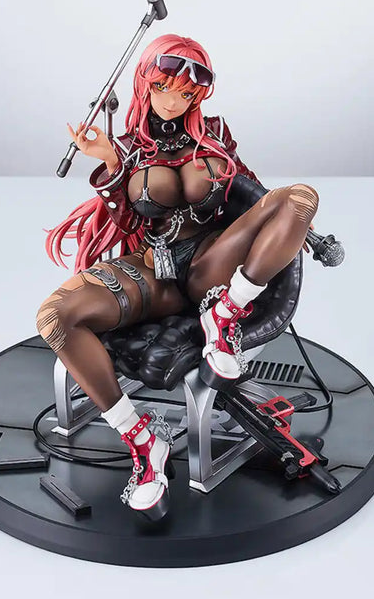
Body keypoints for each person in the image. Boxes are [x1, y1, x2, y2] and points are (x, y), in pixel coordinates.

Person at [36, 34, 319, 520]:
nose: (174, 101)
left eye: (187, 93)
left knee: (301, 197)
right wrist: (110, 161)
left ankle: (224, 315)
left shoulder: (214, 135)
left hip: (212, 262)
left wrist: (296, 229)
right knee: (54, 317)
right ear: (144, 83)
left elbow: (253, 194)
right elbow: (123, 218)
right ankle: (143, 442)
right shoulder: (126, 147)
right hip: (154, 268)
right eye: (164, 87)